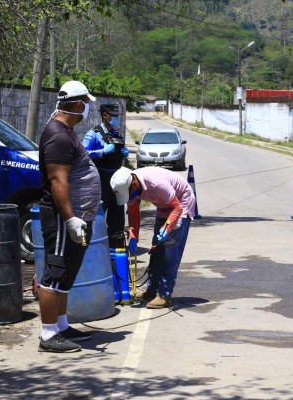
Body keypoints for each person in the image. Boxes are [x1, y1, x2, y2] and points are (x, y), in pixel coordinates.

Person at [37, 80, 101, 353]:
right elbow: (57, 181)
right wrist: (71, 218)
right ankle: (48, 335)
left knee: (66, 274)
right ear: (77, 104)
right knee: (56, 273)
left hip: (75, 215)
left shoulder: (66, 131)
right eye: (86, 103)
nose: (87, 108)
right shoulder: (59, 136)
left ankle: (61, 325)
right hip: (64, 217)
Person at [110, 166, 196, 309]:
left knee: (170, 252)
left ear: (134, 184)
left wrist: (167, 227)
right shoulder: (131, 186)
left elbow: (177, 207)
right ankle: (151, 290)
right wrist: (133, 236)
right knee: (156, 251)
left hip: (181, 203)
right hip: (164, 206)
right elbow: (133, 213)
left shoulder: (157, 184)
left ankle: (164, 294)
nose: (130, 198)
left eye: (129, 194)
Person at [81, 104, 129, 248]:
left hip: (117, 180)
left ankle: (116, 248)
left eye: (117, 116)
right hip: (100, 179)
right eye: (113, 116)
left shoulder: (116, 134)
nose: (116, 119)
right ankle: (96, 248)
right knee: (99, 215)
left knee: (118, 217)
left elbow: (119, 153)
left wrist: (124, 153)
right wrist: (101, 151)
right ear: (105, 116)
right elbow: (82, 154)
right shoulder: (93, 133)